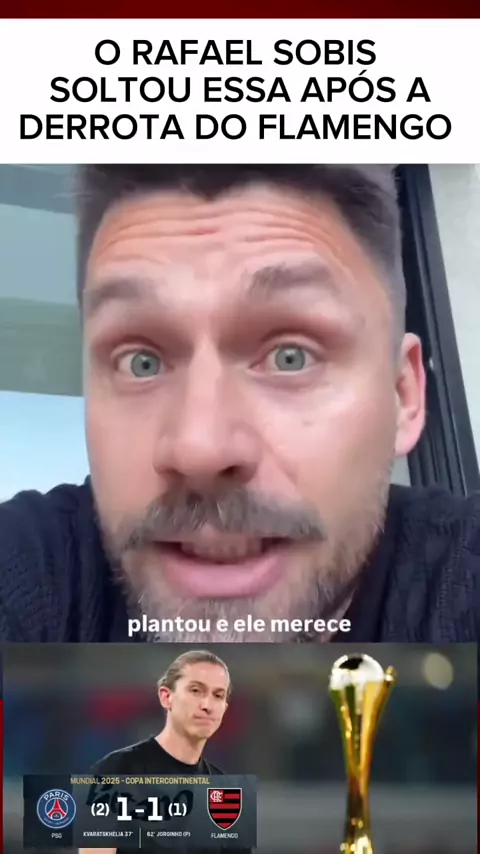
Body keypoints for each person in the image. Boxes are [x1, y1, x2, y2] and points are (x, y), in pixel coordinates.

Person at [1, 164, 479, 643]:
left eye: (291, 357)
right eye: (141, 362)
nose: (199, 448)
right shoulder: (34, 571)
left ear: (403, 396)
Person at [80, 649, 244, 854]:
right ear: (166, 697)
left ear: (225, 708)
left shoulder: (226, 791)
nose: (207, 705)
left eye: (218, 695)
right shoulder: (115, 772)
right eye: (196, 690)